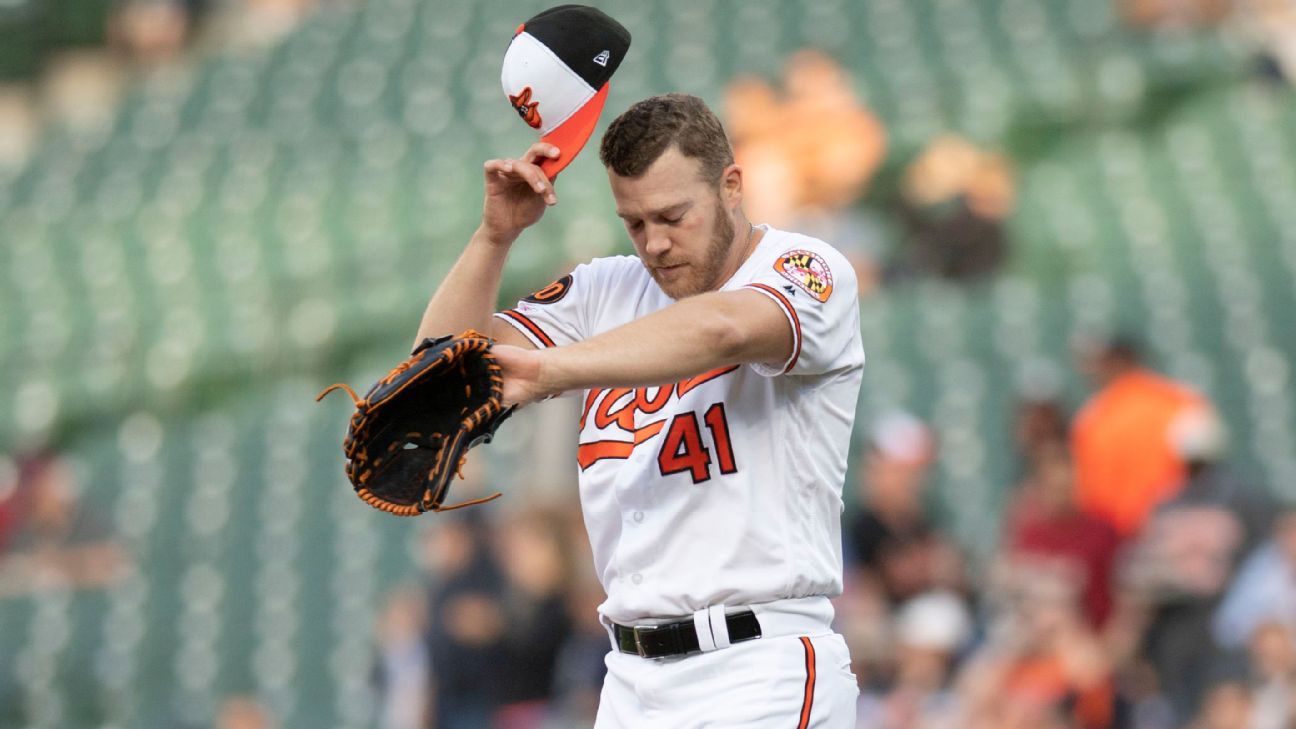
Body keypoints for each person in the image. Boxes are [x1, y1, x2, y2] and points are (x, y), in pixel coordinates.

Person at [413, 91, 864, 726]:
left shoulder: (805, 268)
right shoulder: (608, 287)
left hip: (760, 668)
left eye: (673, 215)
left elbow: (721, 331)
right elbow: (433, 375)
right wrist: (494, 238)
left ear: (730, 185)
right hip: (630, 679)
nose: (655, 244)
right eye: (635, 222)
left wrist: (553, 370)